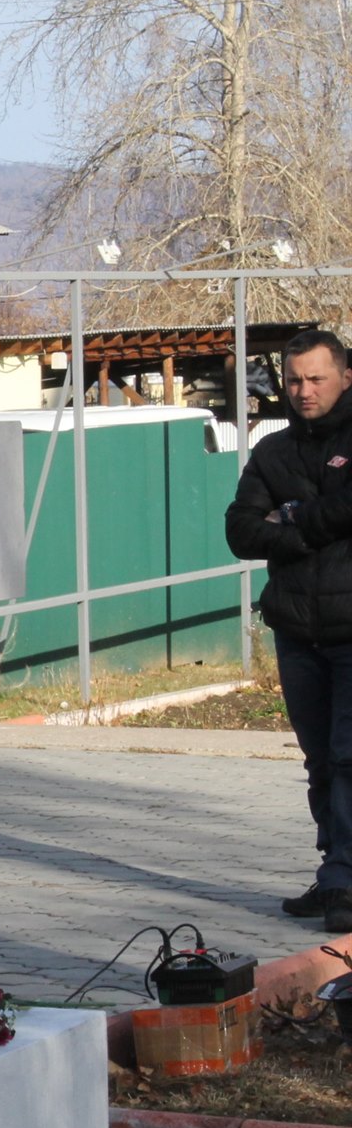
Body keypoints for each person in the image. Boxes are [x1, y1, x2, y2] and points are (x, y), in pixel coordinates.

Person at [226, 328, 352, 935]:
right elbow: (241, 531)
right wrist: (310, 529)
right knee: (320, 758)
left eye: (316, 378)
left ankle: (343, 881)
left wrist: (292, 516)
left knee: (349, 756)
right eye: (295, 379)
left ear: (345, 377)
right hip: (298, 630)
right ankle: (335, 870)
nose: (304, 390)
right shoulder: (272, 451)